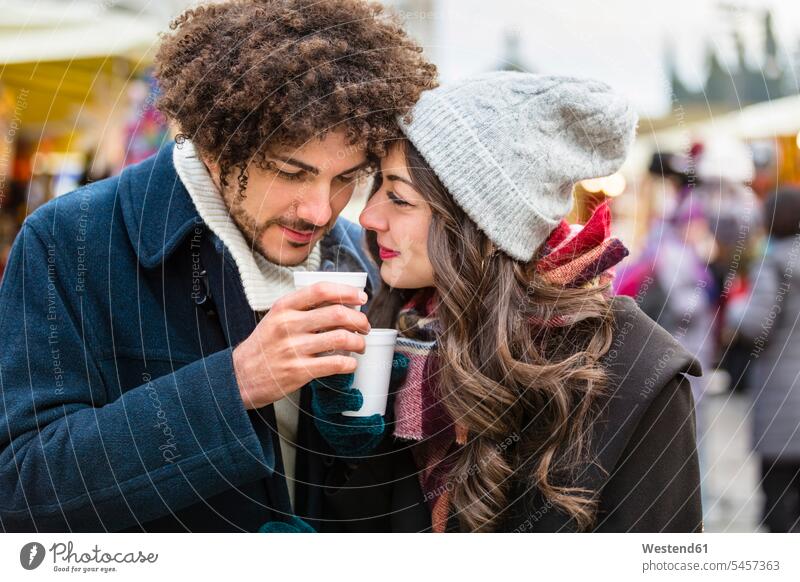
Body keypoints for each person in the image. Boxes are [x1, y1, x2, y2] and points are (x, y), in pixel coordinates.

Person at [0, 0, 436, 532]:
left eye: (348, 177)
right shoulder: (71, 239)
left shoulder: (362, 257)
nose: (322, 211)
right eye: (290, 172)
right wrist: (234, 384)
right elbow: (24, 489)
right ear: (216, 144)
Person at [314, 72, 704, 532]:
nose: (367, 215)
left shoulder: (631, 373)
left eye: (399, 198)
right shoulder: (394, 333)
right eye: (377, 186)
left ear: (480, 225)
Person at [726, 188, 800, 533]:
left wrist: (734, 309)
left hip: (784, 396)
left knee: (779, 499)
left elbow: (757, 324)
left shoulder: (773, 263)